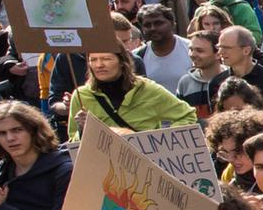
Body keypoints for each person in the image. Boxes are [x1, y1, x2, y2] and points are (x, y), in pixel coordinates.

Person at [66, 45, 195, 140]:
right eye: (93, 59)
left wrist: (162, 141)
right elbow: (72, 142)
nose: (99, 65)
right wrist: (82, 131)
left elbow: (187, 116)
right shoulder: (81, 96)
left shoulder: (148, 89)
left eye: (106, 59)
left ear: (122, 62)